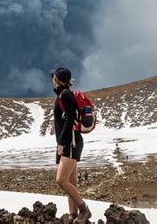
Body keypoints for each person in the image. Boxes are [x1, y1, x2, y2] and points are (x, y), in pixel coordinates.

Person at [50, 67, 91, 223]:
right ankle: (73, 216)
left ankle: (84, 210)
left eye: (53, 77)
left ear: (57, 79)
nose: (52, 79)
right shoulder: (63, 94)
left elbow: (70, 119)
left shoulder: (65, 94)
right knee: (71, 182)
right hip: (70, 142)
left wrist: (61, 143)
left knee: (61, 180)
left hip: (71, 143)